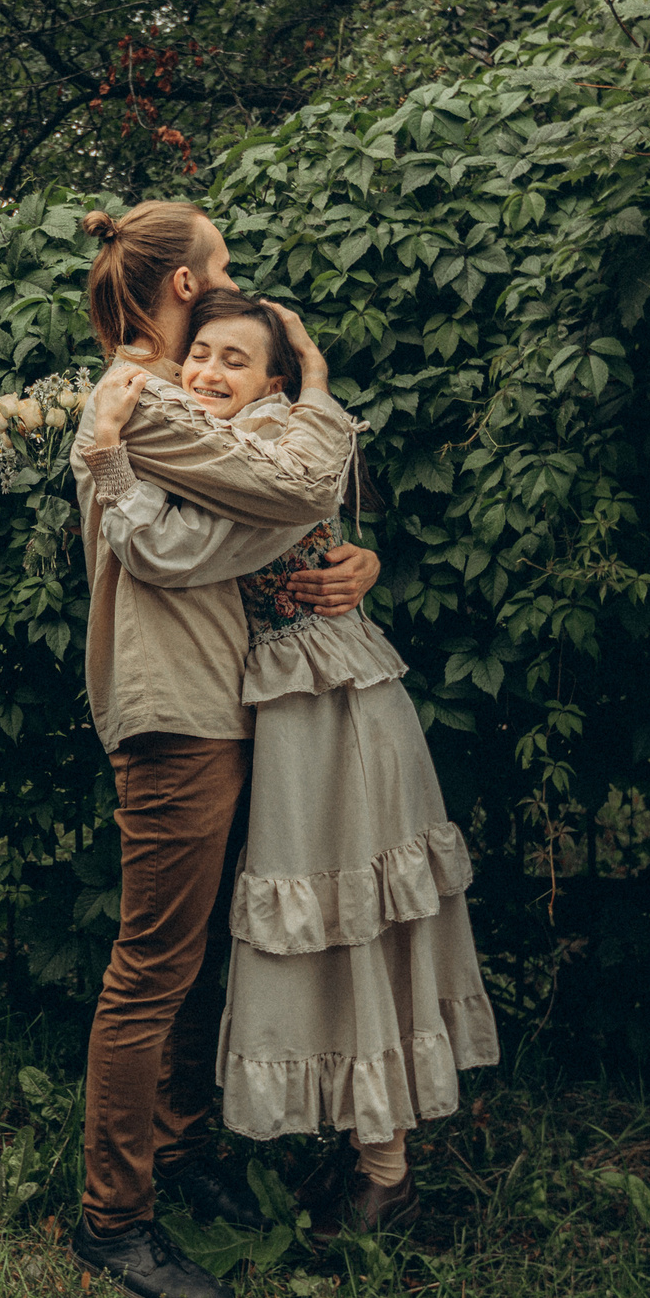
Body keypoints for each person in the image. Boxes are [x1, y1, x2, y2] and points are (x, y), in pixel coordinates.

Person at [85, 291, 498, 1241]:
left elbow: (169, 545)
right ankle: (366, 1159)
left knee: (354, 919)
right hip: (295, 705)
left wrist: (108, 453)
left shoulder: (272, 445)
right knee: (328, 921)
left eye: (237, 360)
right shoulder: (235, 441)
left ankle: (383, 1177)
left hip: (334, 706)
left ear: (274, 381)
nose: (208, 374)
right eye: (201, 354)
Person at [63, 202, 381, 1298]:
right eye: (226, 266)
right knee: (151, 966)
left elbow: (254, 535)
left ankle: (182, 1152)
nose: (236, 276)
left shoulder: (158, 402)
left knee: (194, 956)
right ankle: (114, 1218)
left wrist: (356, 563)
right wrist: (320, 379)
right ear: (189, 286)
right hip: (175, 707)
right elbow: (293, 491)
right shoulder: (140, 400)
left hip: (225, 694)